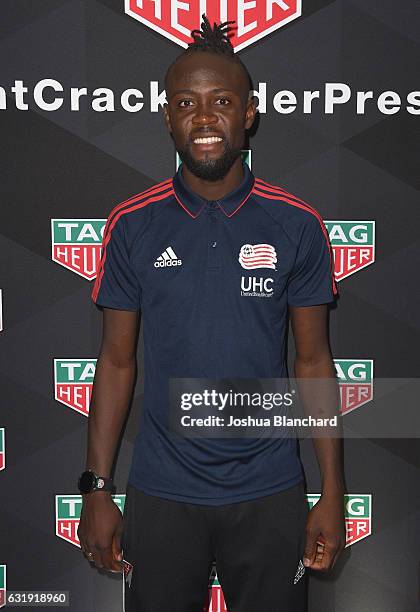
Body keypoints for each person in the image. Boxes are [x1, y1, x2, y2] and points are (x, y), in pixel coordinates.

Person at [77, 15, 346, 612]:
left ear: (248, 112)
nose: (204, 118)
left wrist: (332, 489)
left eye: (221, 101)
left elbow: (312, 360)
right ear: (168, 117)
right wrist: (96, 487)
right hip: (163, 493)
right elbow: (116, 361)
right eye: (186, 103)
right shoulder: (132, 225)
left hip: (271, 490)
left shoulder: (296, 224)